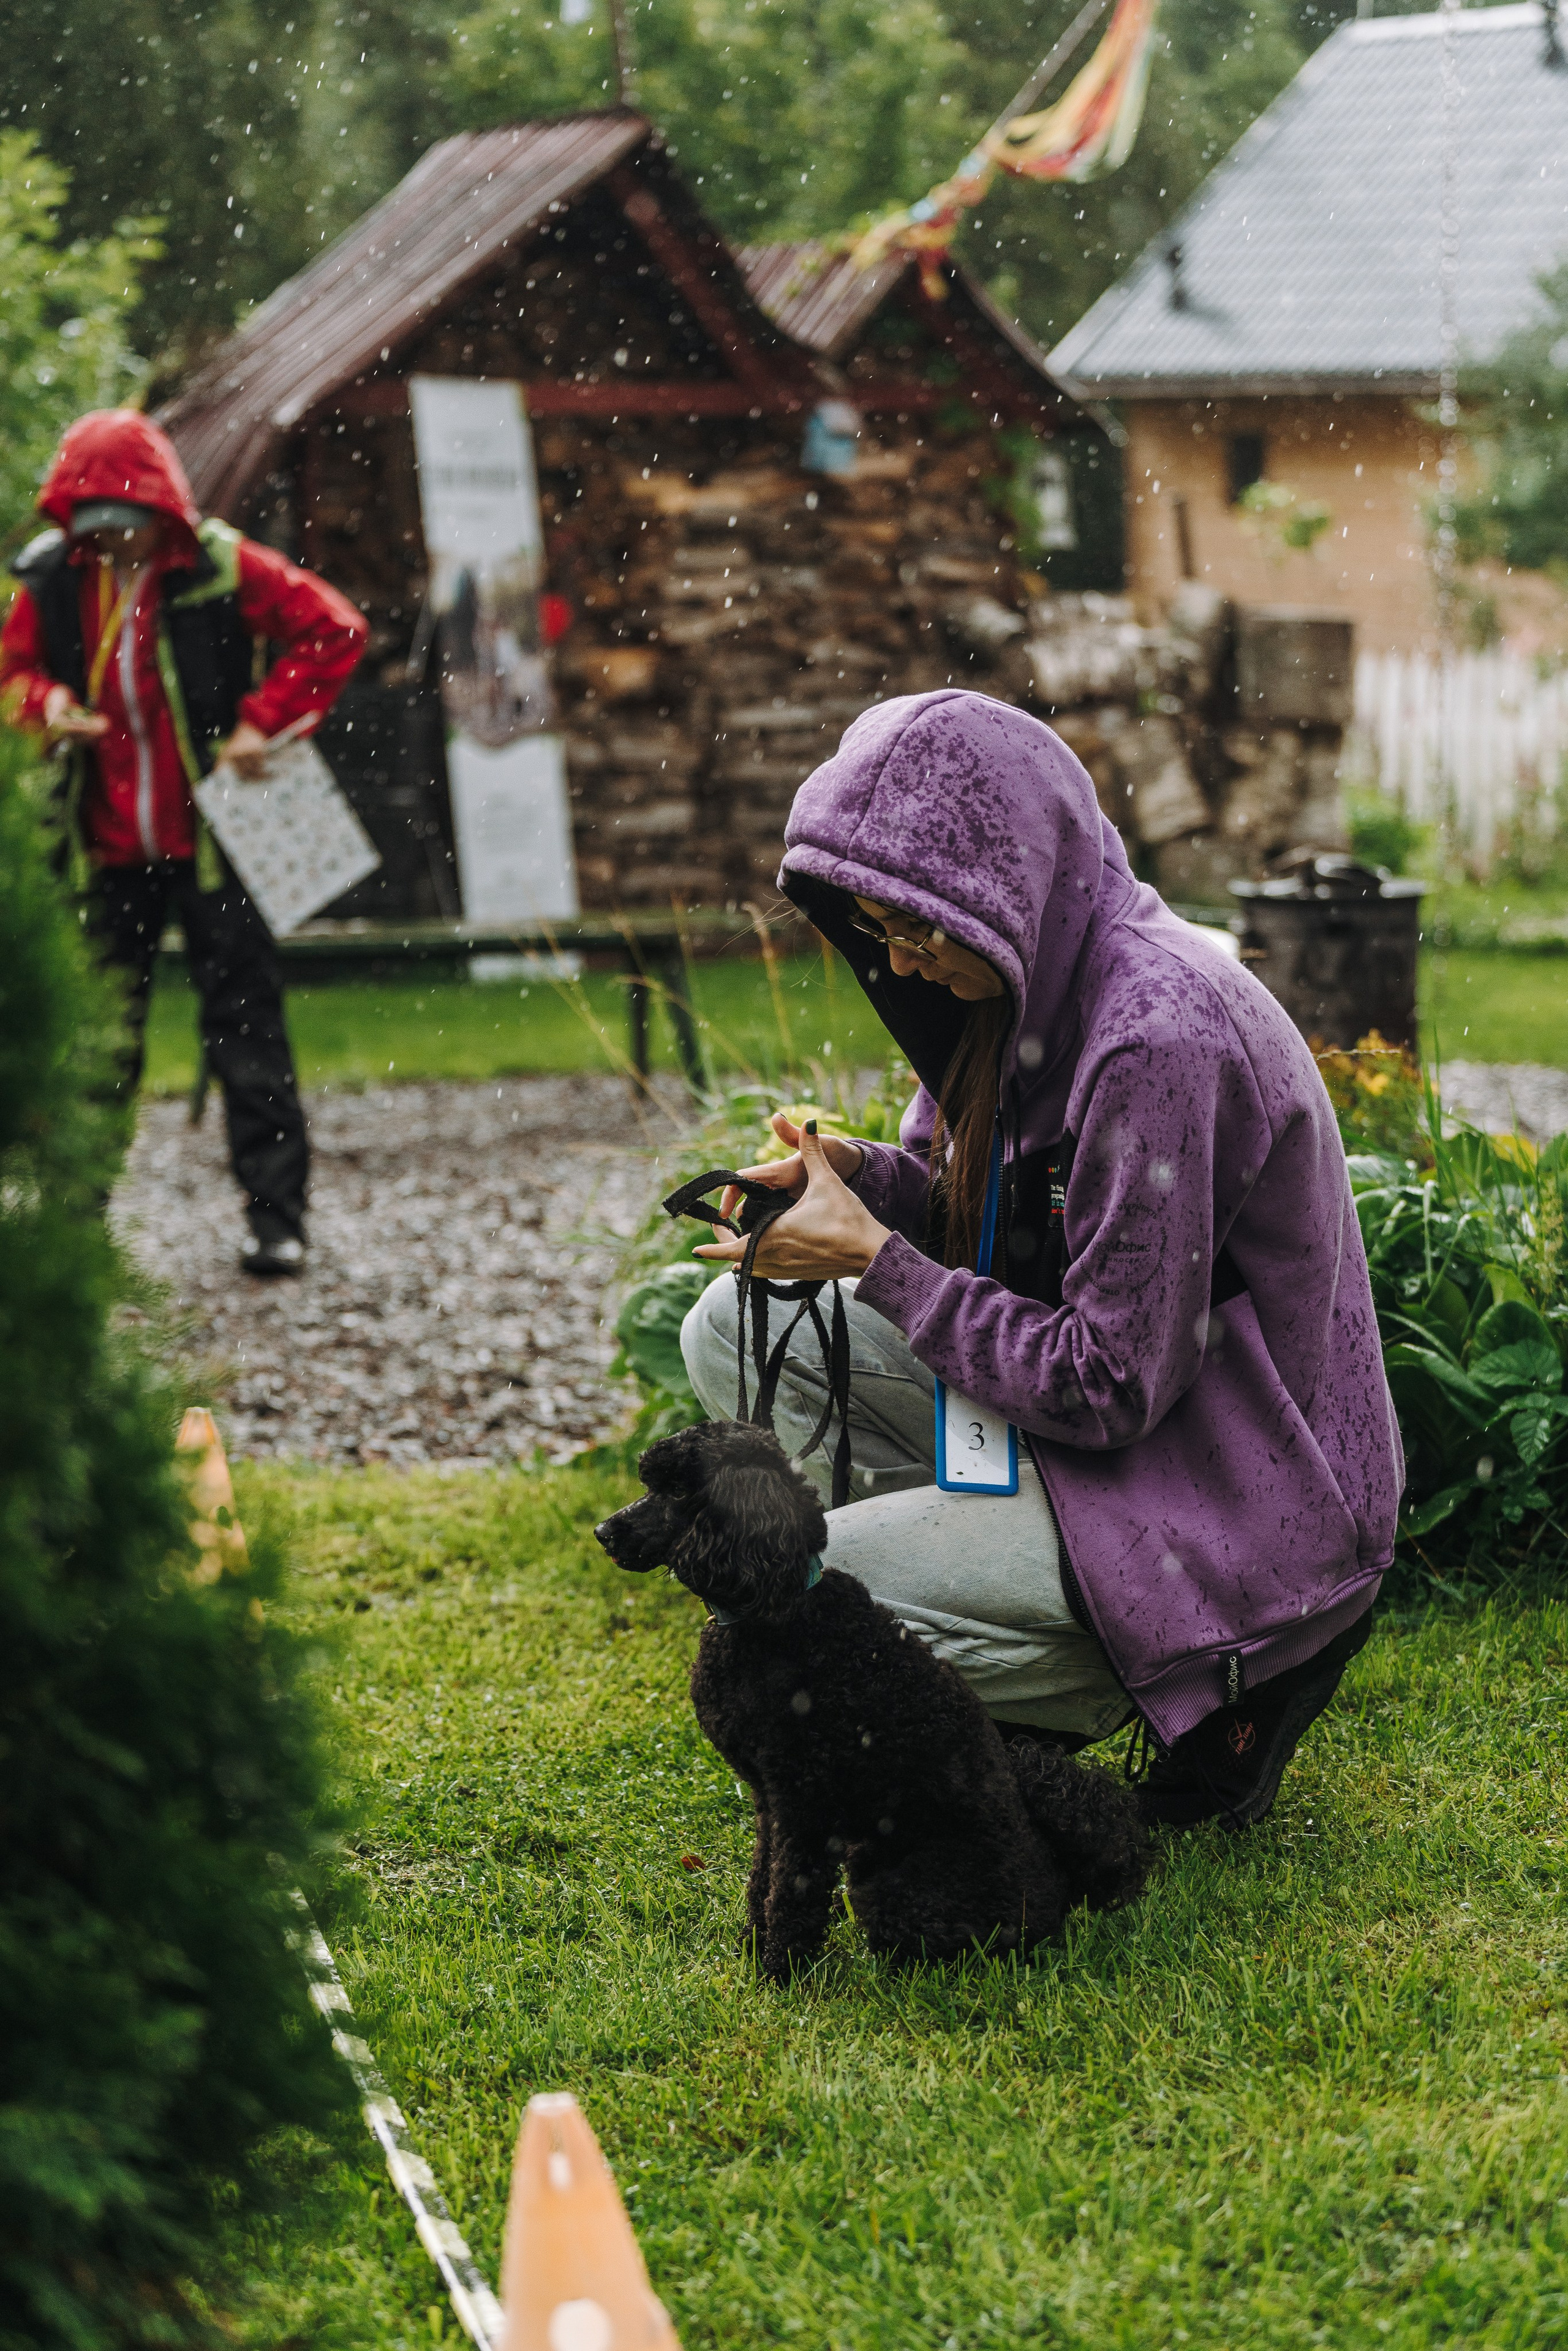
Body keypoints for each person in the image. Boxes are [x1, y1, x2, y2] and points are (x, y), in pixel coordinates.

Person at [680, 689, 1403, 1830]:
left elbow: (1108, 1382)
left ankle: (1215, 1675)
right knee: (728, 1324)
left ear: (1006, 887)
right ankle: (988, 1631)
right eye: (878, 928)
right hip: (1127, 1437)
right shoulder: (1019, 982)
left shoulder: (1157, 1035)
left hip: (1234, 1492)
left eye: (919, 930)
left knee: (815, 1610)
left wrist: (875, 1261)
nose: (901, 962)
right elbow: (999, 1227)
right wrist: (860, 1182)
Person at [0, 409, 368, 1275]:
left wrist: (262, 721)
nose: (115, 543)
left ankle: (277, 1222)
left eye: (128, 524)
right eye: (97, 527)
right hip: (103, 847)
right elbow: (12, 674)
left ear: (161, 511)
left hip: (216, 844)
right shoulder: (51, 579)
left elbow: (335, 629)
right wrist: (49, 706)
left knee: (246, 1029)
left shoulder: (219, 565)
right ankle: (74, 1219)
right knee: (99, 1036)